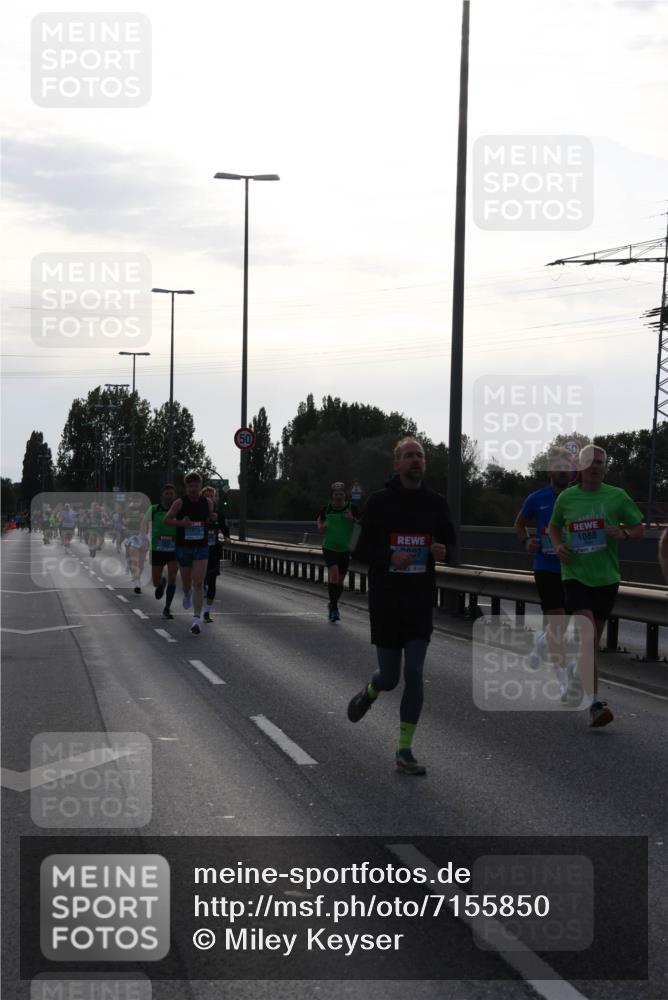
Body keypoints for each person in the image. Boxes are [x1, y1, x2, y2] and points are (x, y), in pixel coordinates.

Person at [347, 437, 455, 775]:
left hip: (420, 599)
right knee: (391, 677)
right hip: (387, 600)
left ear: (425, 463)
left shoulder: (435, 503)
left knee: (415, 673)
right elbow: (355, 548)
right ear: (397, 464)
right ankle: (370, 689)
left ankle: (404, 750)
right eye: (408, 456)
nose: (415, 461)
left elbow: (450, 542)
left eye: (420, 456)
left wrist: (443, 552)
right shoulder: (379, 502)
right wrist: (389, 555)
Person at [548, 444, 644, 727]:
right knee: (587, 637)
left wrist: (624, 533)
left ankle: (576, 681)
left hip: (606, 578)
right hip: (574, 575)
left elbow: (640, 528)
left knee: (590, 644)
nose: (595, 466)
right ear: (580, 466)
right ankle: (595, 704)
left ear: (605, 468)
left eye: (600, 462)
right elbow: (553, 527)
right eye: (590, 462)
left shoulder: (617, 496)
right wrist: (558, 546)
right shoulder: (567, 497)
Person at [514, 449, 576, 699]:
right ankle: (563, 682)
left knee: (558, 627)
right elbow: (519, 523)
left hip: (573, 569)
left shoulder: (578, 497)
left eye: (568, 466)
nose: (563, 470)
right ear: (550, 470)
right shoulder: (536, 498)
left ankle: (539, 643)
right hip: (546, 567)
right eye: (558, 466)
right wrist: (526, 541)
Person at [164, 472, 213, 635]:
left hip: (201, 546)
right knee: (186, 585)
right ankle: (186, 594)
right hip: (184, 547)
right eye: (190, 486)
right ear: (186, 487)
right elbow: (167, 519)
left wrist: (211, 522)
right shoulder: (179, 503)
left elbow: (209, 519)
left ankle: (196, 620)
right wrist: (181, 523)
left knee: (198, 582)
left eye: (196, 486)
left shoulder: (207, 502)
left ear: (200, 486)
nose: (193, 489)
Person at [316, 482, 360, 622]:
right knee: (334, 574)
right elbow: (320, 524)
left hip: (345, 548)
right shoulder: (326, 509)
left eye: (341, 494)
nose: (339, 497)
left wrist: (352, 519)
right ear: (332, 496)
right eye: (336, 495)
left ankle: (332, 604)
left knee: (340, 581)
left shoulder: (351, 508)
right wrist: (322, 526)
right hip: (329, 547)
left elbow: (361, 525)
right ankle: (334, 608)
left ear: (344, 495)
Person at [142, 484, 179, 620]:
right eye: (167, 493)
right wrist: (144, 536)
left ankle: (167, 608)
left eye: (171, 493)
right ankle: (161, 583)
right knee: (156, 582)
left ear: (174, 495)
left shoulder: (178, 511)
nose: (169, 496)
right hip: (157, 548)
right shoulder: (154, 509)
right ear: (162, 495)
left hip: (174, 549)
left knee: (173, 577)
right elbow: (144, 523)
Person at [201, 486, 232, 623]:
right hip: (199, 551)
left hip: (214, 551)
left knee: (212, 581)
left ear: (215, 498)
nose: (209, 498)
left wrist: (227, 538)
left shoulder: (219, 515)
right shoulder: (197, 513)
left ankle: (207, 612)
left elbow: (226, 532)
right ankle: (202, 587)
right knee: (201, 580)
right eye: (206, 496)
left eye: (211, 496)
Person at [123, 500, 147, 594]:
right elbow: (124, 521)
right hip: (132, 537)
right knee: (134, 561)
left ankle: (137, 577)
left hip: (143, 538)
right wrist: (126, 521)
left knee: (141, 564)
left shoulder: (146, 510)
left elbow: (149, 525)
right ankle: (137, 584)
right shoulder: (128, 510)